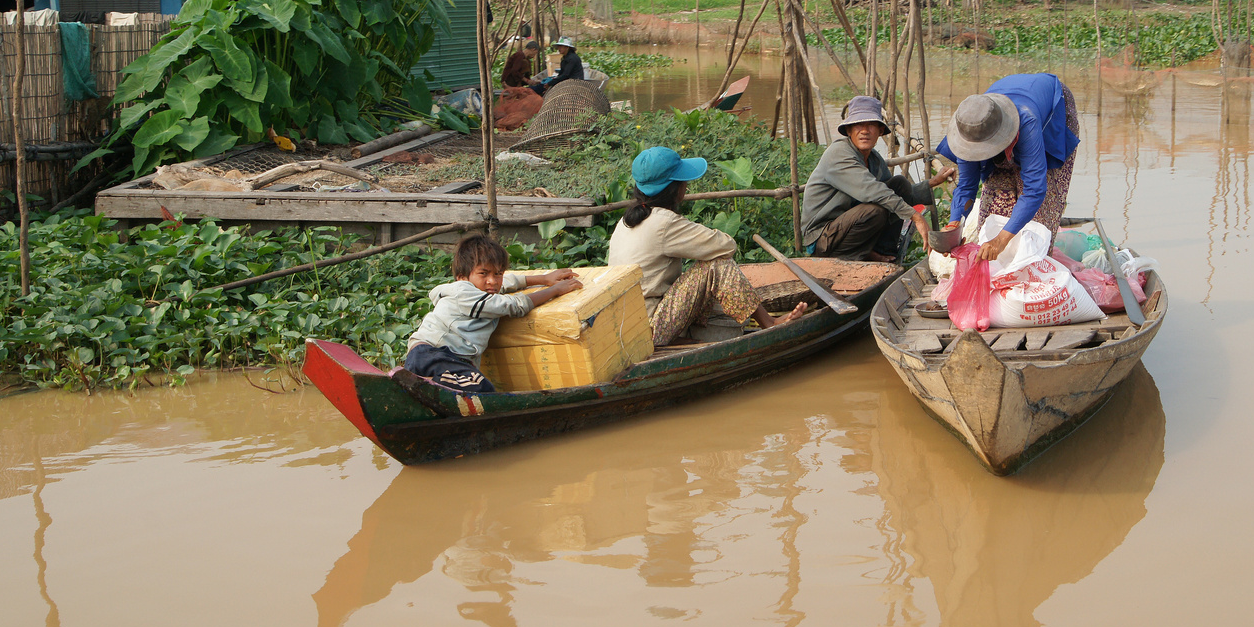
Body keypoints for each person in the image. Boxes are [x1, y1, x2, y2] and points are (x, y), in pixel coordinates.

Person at [609, 146, 808, 346]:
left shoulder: (625, 222)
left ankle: (684, 337)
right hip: (649, 329)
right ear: (675, 189)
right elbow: (726, 246)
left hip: (628, 327)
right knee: (717, 265)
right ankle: (769, 322)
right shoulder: (665, 222)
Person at [397, 234, 582, 393]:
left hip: (442, 358)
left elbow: (509, 281)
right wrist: (555, 290)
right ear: (462, 277)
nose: (492, 281)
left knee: (476, 388)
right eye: (483, 274)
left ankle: (421, 386)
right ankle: (425, 385)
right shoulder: (464, 292)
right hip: (434, 354)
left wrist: (544, 279)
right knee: (482, 389)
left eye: (498, 273)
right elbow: (512, 305)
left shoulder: (482, 289)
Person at [940, 72, 1081, 263]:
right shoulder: (969, 130)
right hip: (999, 117)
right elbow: (966, 186)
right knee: (996, 202)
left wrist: (1001, 240)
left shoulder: (1027, 121)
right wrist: (954, 224)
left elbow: (1034, 189)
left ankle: (1035, 267)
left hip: (1052, 112)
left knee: (1039, 215)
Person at [800, 96, 952, 261]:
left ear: (880, 131)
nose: (864, 131)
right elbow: (872, 191)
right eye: (858, 125)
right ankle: (853, 257)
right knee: (875, 211)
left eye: (871, 125)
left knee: (899, 184)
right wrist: (916, 216)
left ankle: (886, 253)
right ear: (849, 131)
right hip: (823, 238)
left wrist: (933, 182)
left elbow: (892, 194)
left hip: (846, 228)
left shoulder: (873, 158)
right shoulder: (839, 153)